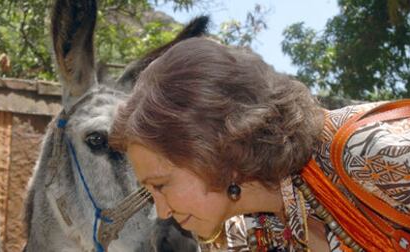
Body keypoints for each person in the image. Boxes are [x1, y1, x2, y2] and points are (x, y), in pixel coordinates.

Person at [109, 37, 410, 252]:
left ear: (211, 148)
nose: (161, 212)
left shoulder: (368, 153)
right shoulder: (242, 235)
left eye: (160, 186)